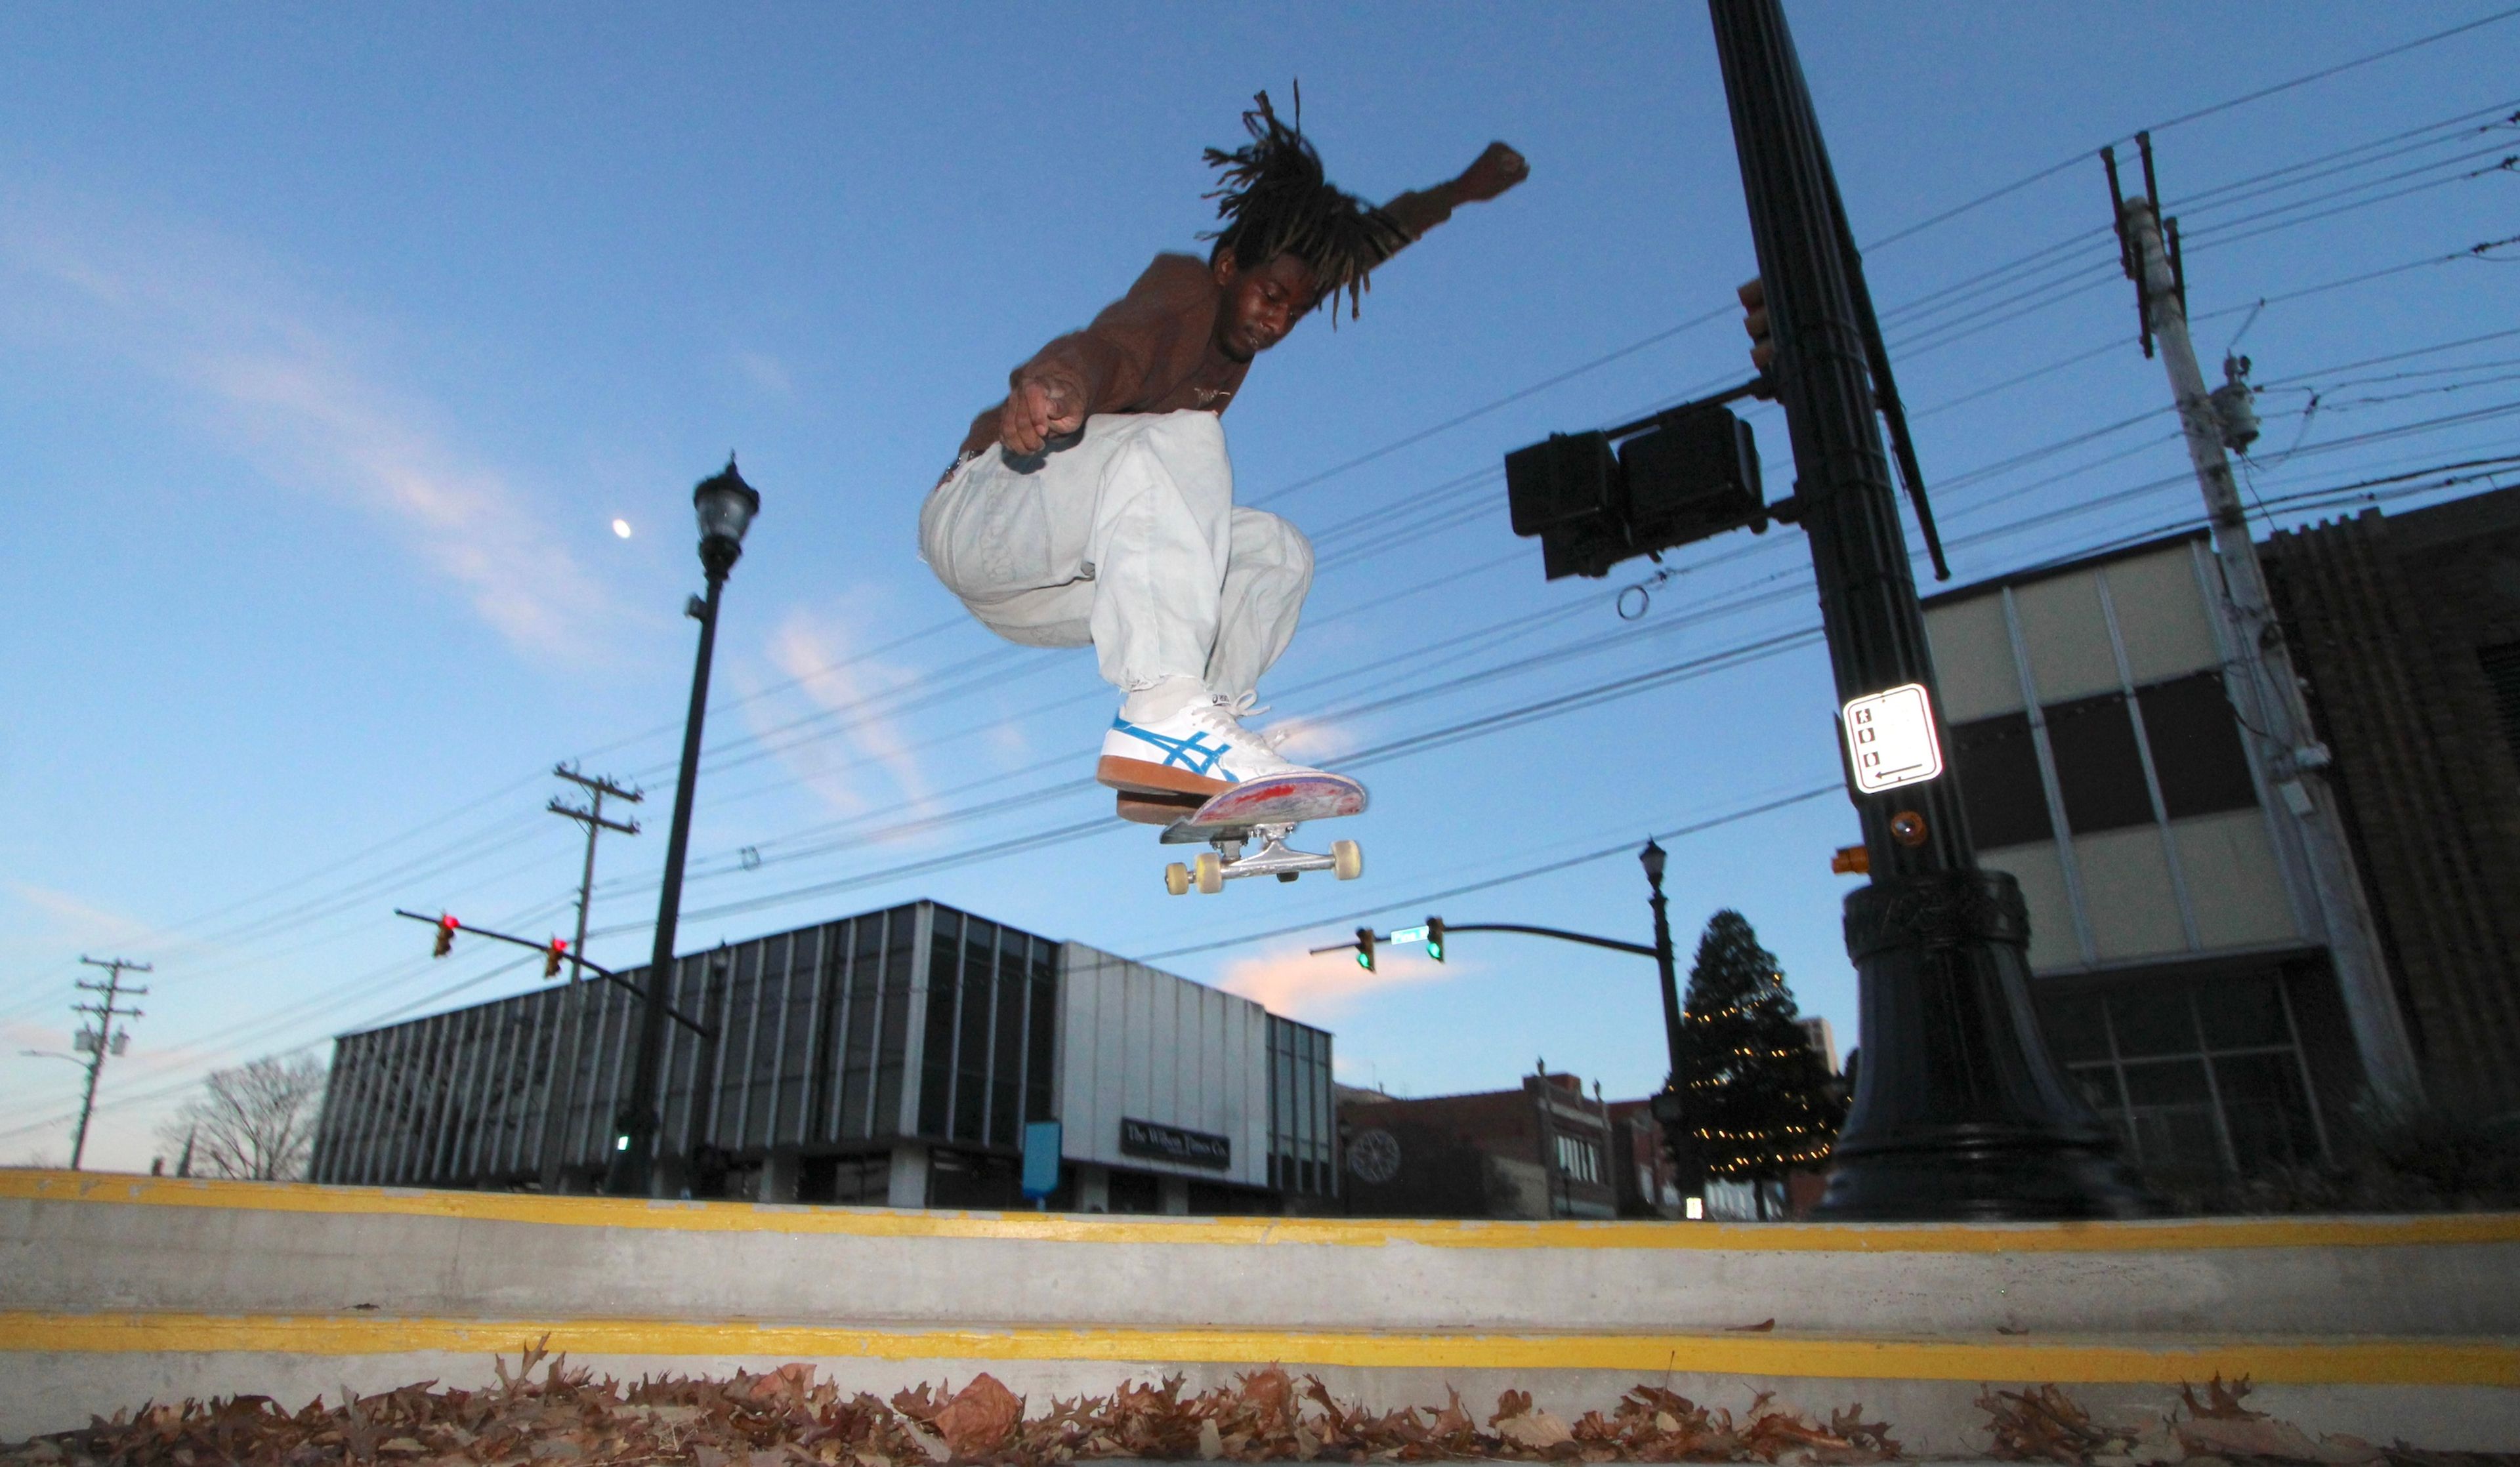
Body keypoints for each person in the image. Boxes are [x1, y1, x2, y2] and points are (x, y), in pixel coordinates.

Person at [920, 91, 1527, 812]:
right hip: (985, 512)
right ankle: (1164, 721)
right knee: (1186, 438)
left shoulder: (1260, 303)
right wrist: (1063, 382)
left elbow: (1369, 243)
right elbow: (1114, 346)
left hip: (1046, 589)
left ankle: (1190, 758)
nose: (1278, 321)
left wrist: (1459, 192)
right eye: (1270, 296)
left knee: (1276, 553)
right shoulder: (1186, 294)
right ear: (1227, 268)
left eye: (1295, 311)